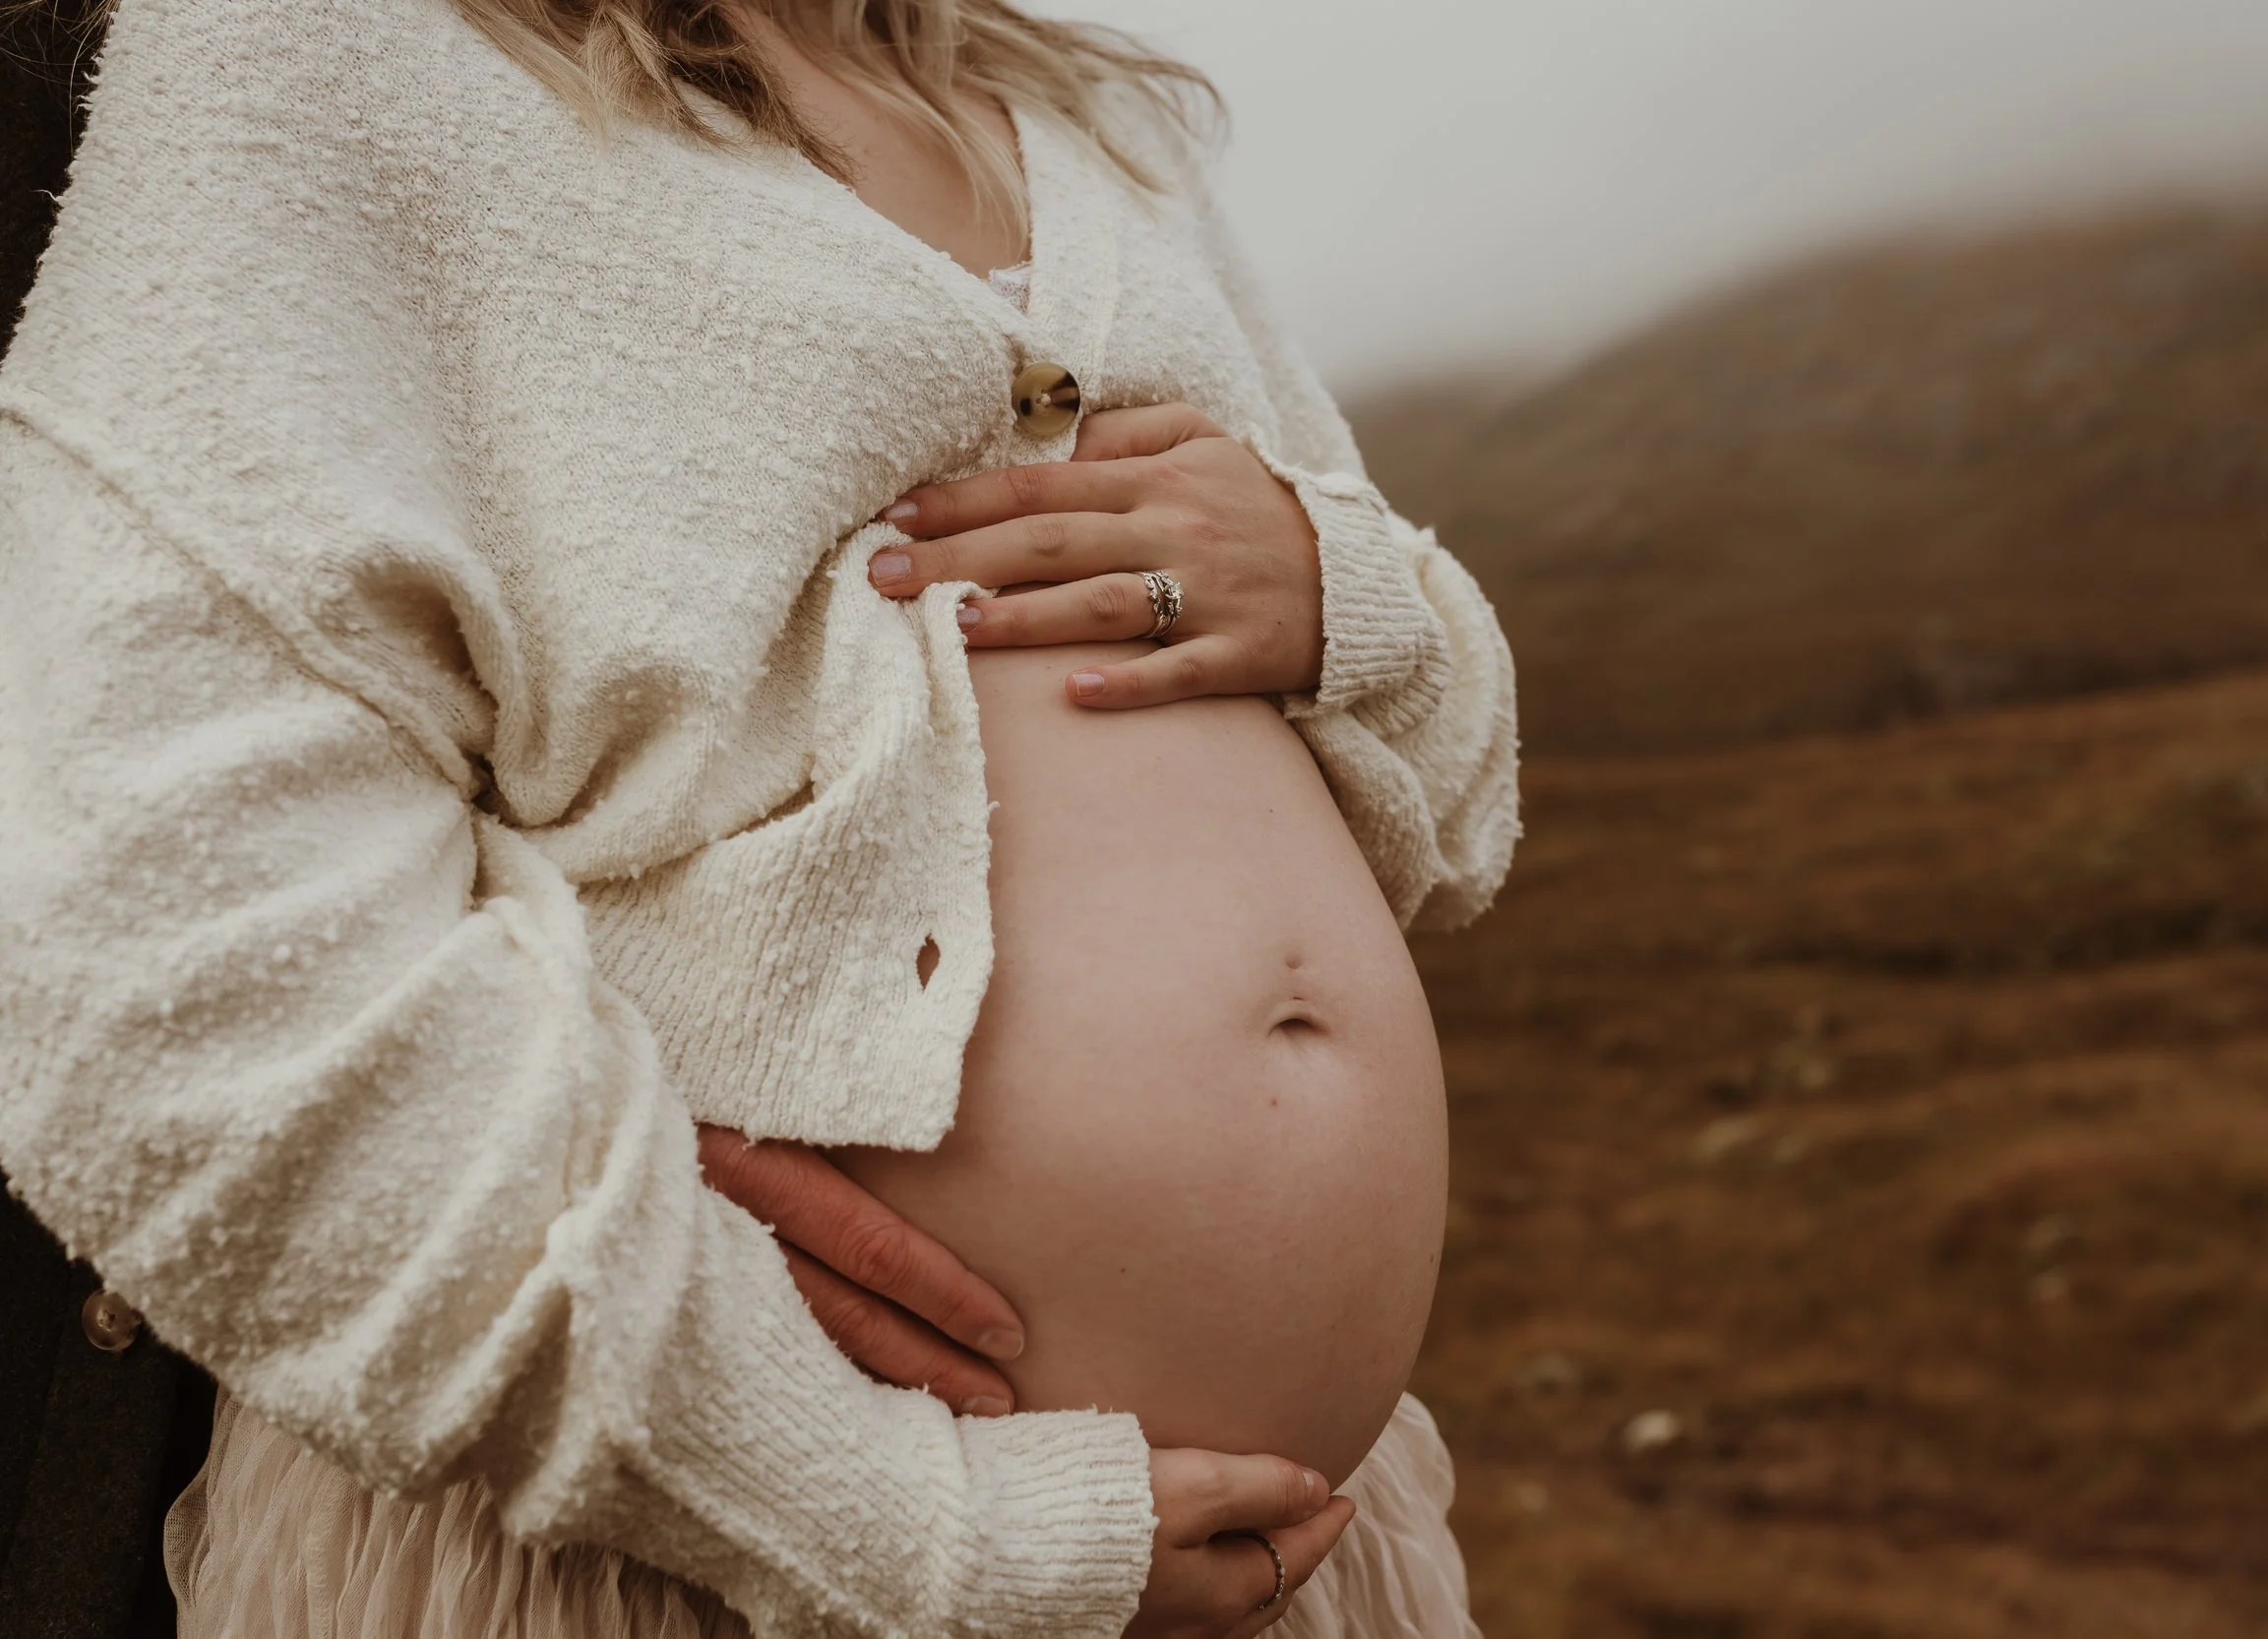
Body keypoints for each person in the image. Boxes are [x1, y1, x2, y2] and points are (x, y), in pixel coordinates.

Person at [0, 2, 1519, 1636]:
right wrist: (900, 1524)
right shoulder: (314, 52)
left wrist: (1337, 583)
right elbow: (159, 959)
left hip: (1289, 1561)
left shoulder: (1088, 122)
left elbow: (1455, 802)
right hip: (684, 1565)